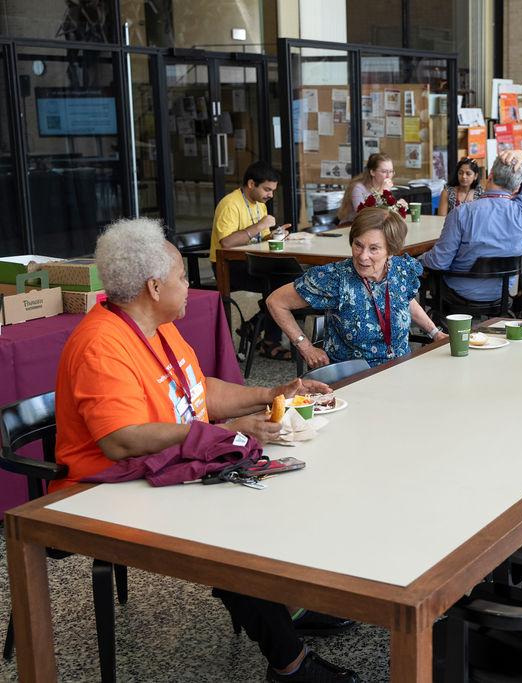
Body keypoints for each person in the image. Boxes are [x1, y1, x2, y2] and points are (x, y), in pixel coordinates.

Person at [54, 217, 360, 682]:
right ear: (154, 287)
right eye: (181, 277)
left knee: (282, 491)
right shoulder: (101, 344)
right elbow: (121, 440)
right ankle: (290, 665)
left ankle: (287, 609)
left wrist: (271, 393)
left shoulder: (156, 325)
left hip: (166, 463)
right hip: (106, 485)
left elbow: (199, 393)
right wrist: (218, 434)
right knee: (234, 528)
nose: (186, 285)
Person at [267, 207, 444, 369]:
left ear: (390, 251)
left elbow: (405, 300)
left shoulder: (400, 269)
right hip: (352, 377)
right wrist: (306, 348)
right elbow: (276, 302)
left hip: (399, 369)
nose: (363, 256)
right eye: (358, 245)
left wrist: (434, 332)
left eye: (374, 249)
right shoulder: (335, 278)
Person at [421, 149, 522, 305]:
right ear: (516, 188)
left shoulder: (461, 213)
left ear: (490, 176)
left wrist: (421, 259)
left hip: (459, 291)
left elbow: (439, 262)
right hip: (503, 292)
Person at [210, 161, 292, 360]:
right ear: (251, 184)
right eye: (266, 189)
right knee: (279, 285)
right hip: (228, 266)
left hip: (253, 262)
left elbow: (260, 239)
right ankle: (269, 340)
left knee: (288, 280)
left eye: (273, 190)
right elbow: (227, 242)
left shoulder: (259, 206)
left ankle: (255, 325)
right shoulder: (230, 204)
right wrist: (259, 226)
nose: (270, 195)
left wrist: (276, 235)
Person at [336, 153, 395, 224]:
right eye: (384, 171)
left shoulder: (384, 187)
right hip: (351, 227)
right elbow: (363, 215)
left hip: (374, 226)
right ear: (372, 172)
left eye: (391, 171)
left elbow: (384, 212)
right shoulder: (358, 188)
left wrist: (397, 207)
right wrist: (382, 191)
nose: (388, 176)